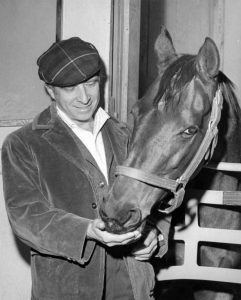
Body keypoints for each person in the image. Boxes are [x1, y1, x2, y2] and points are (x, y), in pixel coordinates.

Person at [2, 37, 171, 300]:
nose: (84, 98)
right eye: (70, 89)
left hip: (132, 284)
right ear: (50, 90)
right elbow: (26, 216)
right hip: (67, 288)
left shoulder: (127, 134)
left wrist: (155, 235)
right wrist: (87, 230)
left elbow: (157, 196)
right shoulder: (23, 144)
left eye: (91, 84)